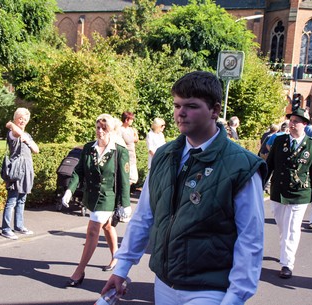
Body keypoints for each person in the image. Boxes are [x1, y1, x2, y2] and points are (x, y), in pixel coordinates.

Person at [101, 71, 266, 304]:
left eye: (191, 106)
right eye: (177, 105)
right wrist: (122, 268)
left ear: (215, 110)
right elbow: (144, 216)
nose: (181, 113)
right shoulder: (164, 156)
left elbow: (250, 237)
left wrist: (236, 296)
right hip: (165, 283)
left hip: (210, 289)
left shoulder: (241, 165)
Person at [62, 113, 131, 287]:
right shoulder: (88, 148)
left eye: (104, 128)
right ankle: (116, 256)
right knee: (107, 226)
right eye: (97, 128)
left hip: (108, 197)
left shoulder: (119, 152)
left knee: (93, 229)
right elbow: (79, 171)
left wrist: (126, 204)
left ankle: (79, 271)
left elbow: (123, 179)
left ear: (111, 130)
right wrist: (70, 190)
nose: (99, 131)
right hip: (92, 197)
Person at [266, 107, 312, 279]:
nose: (291, 125)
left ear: (304, 124)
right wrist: (259, 183)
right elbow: (269, 165)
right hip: (278, 191)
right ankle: (286, 252)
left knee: (292, 228)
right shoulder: (279, 141)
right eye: (291, 121)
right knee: (282, 226)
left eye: (296, 122)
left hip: (299, 193)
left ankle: (287, 263)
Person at [1, 107, 39, 240]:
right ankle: (5, 228)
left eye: (25, 119)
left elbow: (36, 149)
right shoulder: (13, 132)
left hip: (26, 169)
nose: (23, 121)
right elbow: (17, 133)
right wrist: (11, 124)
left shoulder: (26, 135)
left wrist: (27, 140)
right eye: (20, 118)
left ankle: (19, 225)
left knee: (22, 199)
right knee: (12, 200)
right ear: (16, 118)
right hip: (16, 169)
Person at [119, 111, 139, 185]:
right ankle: (124, 191)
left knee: (134, 178)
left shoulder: (130, 129)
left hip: (132, 155)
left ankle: (125, 190)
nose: (132, 121)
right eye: (131, 119)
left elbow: (135, 140)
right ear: (126, 119)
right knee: (129, 177)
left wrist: (135, 133)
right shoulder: (120, 130)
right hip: (125, 156)